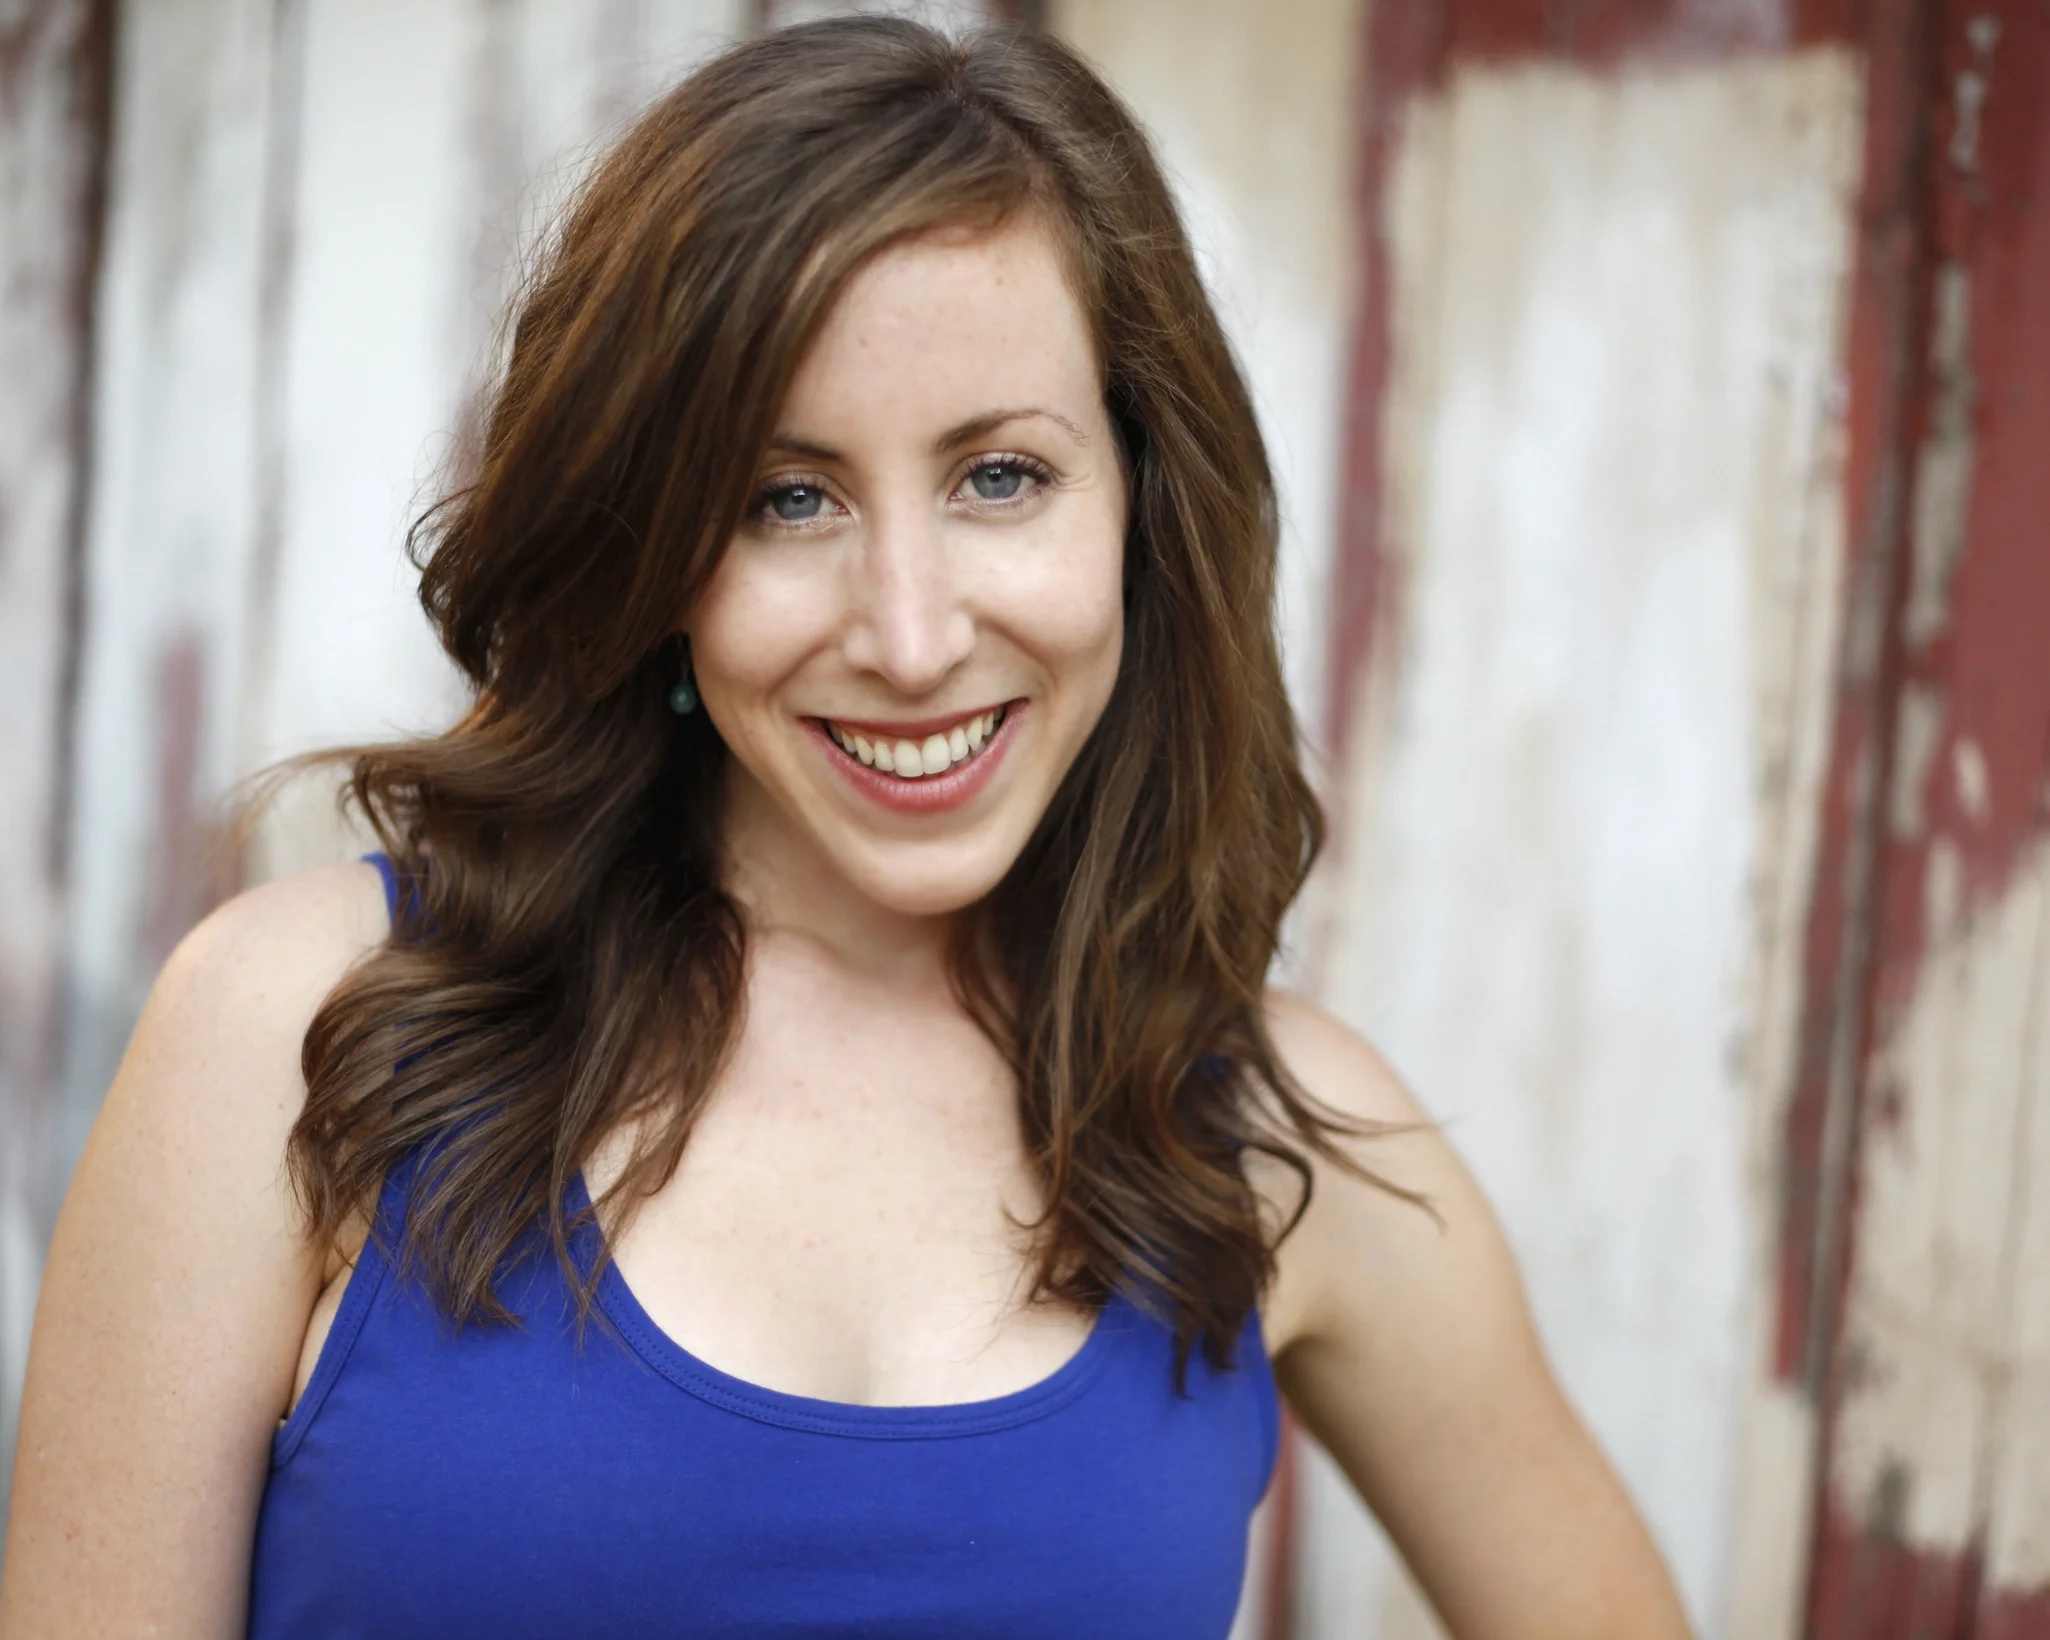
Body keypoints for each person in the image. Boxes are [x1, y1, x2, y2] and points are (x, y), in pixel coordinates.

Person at [0, 17, 1693, 1639]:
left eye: (1000, 477)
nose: (906, 633)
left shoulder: (1272, 1140)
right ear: (654, 552)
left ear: (1141, 508)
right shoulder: (300, 1035)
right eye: (784, 498)